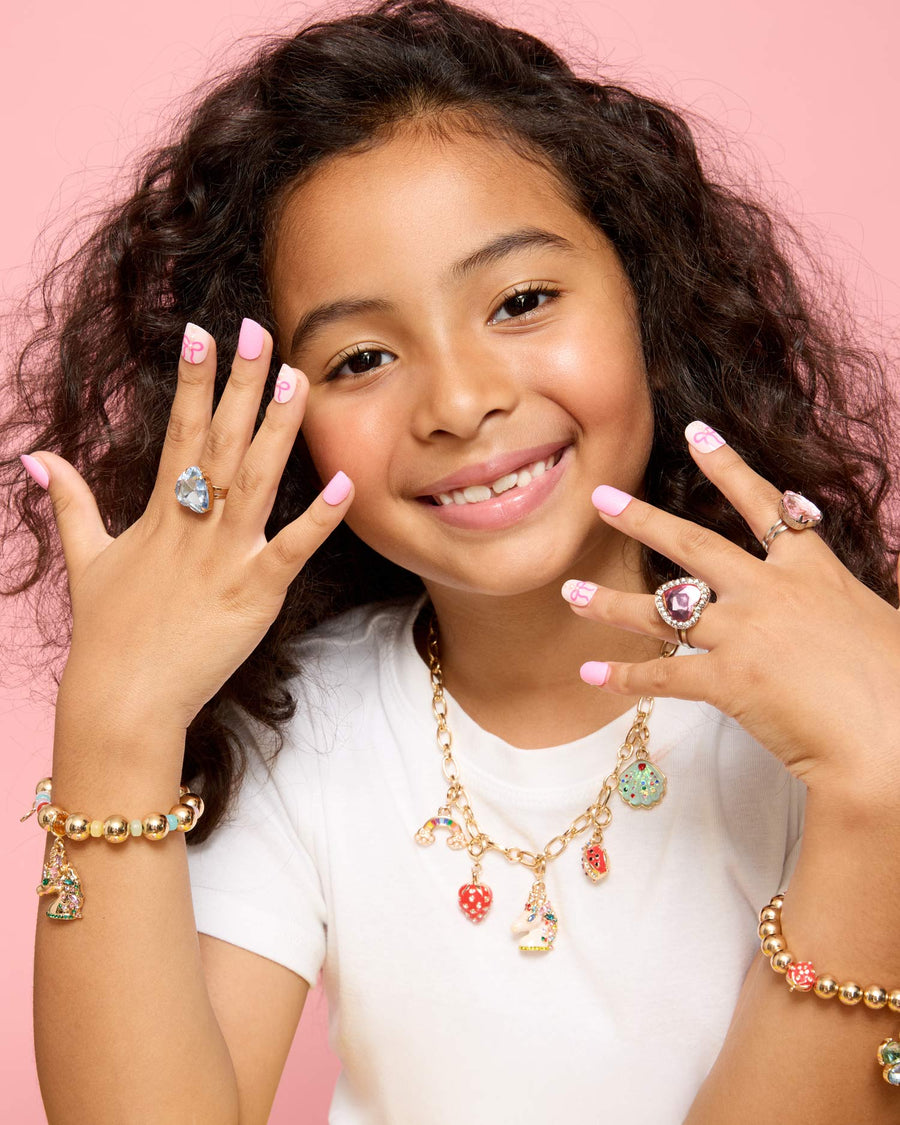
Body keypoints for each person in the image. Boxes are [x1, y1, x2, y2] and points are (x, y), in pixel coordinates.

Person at [5, 0, 900, 1121]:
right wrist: (116, 717)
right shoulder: (308, 721)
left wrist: (878, 788)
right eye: (364, 356)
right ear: (279, 417)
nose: (463, 401)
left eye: (522, 301)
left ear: (651, 301)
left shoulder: (845, 692)